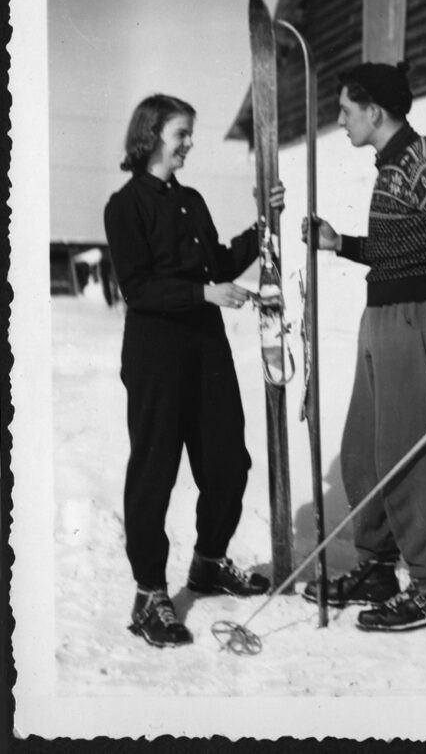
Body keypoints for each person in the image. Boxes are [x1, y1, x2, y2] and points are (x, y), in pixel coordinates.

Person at [303, 62, 426, 632]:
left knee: (409, 451)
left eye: (346, 109)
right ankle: (378, 568)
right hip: (383, 315)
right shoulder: (391, 166)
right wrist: (338, 243)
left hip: (416, 321)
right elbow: (401, 252)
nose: (340, 120)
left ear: (374, 110)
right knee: (364, 449)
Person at [104, 93, 284, 649]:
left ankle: (208, 562)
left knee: (229, 462)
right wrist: (203, 292)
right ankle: (149, 594)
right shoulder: (125, 205)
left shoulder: (192, 200)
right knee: (155, 471)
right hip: (157, 353)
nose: (188, 143)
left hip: (206, 350)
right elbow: (137, 288)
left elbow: (220, 263)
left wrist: (263, 224)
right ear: (152, 134)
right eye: (181, 133)